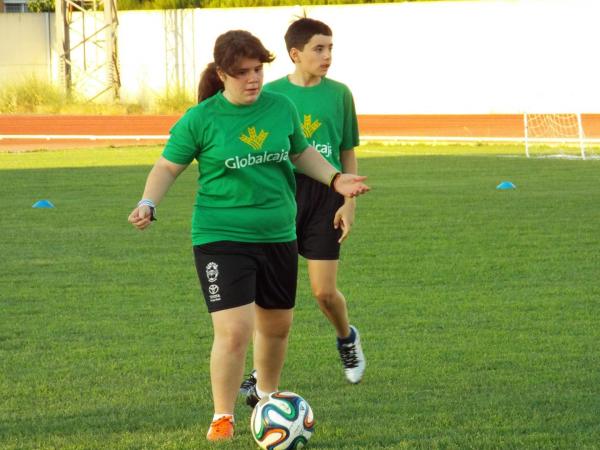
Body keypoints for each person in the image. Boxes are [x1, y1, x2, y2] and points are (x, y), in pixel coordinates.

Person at [128, 30, 369, 443]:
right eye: (243, 73)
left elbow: (299, 152)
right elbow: (167, 167)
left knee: (277, 327)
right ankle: (223, 415)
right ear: (223, 74)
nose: (254, 79)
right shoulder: (201, 119)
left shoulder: (281, 107)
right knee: (235, 330)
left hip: (277, 233)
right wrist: (149, 202)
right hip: (221, 235)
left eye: (258, 70)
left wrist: (334, 178)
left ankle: (267, 397)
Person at [240, 18, 366, 402]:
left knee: (323, 292)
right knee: (271, 295)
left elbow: (347, 150)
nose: (327, 56)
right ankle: (261, 372)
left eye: (330, 48)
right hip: (282, 194)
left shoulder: (340, 94)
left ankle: (347, 337)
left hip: (327, 193)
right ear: (295, 54)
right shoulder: (271, 94)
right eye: (318, 49)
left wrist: (349, 202)